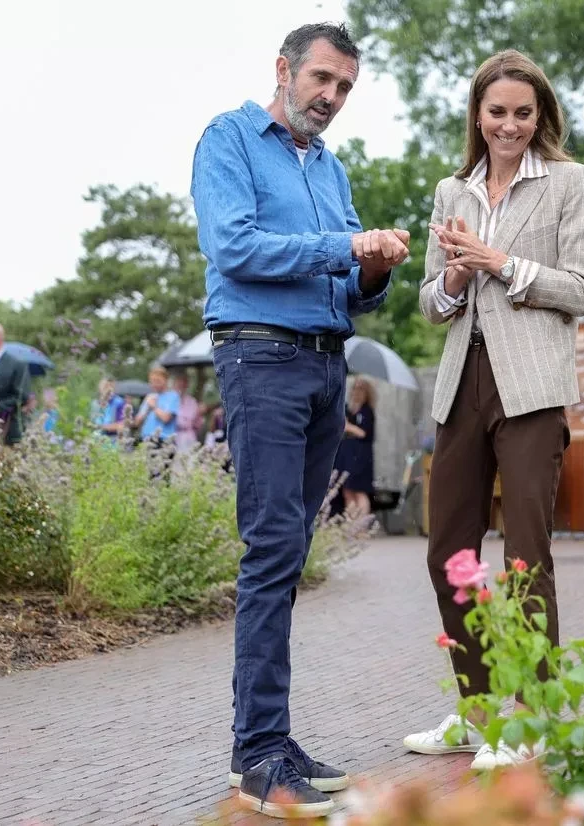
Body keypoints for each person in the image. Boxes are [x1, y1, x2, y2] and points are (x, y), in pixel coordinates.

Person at [190, 21, 410, 818]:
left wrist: (374, 269)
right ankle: (255, 756)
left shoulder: (332, 166)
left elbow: (349, 286)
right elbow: (235, 248)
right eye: (322, 78)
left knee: (289, 556)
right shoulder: (229, 140)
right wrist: (346, 244)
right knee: (270, 551)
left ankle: (275, 738)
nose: (332, 97)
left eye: (346, 87)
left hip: (325, 365)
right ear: (283, 70)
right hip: (261, 360)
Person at [402, 49, 584, 771]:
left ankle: (537, 720)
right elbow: (430, 303)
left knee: (524, 557)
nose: (509, 125)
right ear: (477, 117)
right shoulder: (451, 191)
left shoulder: (570, 183)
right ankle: (478, 711)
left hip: (532, 388)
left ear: (540, 115)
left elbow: (582, 289)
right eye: (496, 113)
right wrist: (454, 275)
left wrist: (499, 262)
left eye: (522, 112)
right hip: (463, 381)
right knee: (448, 550)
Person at [335, 378, 376, 520]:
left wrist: (348, 426)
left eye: (360, 389)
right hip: (347, 455)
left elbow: (364, 433)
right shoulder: (348, 409)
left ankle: (362, 527)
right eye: (355, 388)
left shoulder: (367, 411)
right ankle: (351, 527)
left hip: (360, 456)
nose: (356, 392)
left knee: (360, 491)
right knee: (347, 491)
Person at [133, 365, 180, 444]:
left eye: (157, 381)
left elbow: (166, 418)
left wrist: (154, 406)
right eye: (152, 381)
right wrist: (145, 408)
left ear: (165, 380)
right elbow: (137, 422)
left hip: (163, 440)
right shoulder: (150, 397)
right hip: (145, 438)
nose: (154, 384)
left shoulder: (173, 396)